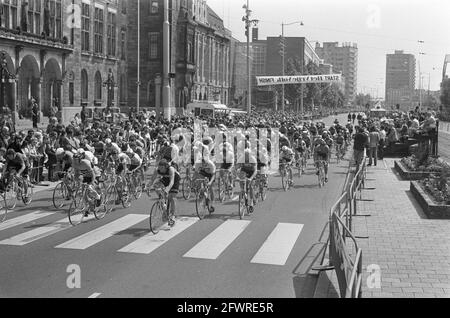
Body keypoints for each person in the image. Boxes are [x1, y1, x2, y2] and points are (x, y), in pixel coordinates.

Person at [152, 159, 180, 227]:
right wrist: (147, 186)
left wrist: (167, 189)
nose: (160, 169)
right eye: (159, 168)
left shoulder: (171, 169)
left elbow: (172, 182)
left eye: (162, 168)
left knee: (171, 197)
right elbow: (152, 179)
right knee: (156, 185)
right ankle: (163, 205)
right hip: (165, 179)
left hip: (174, 180)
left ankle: (172, 216)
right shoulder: (157, 169)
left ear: (166, 167)